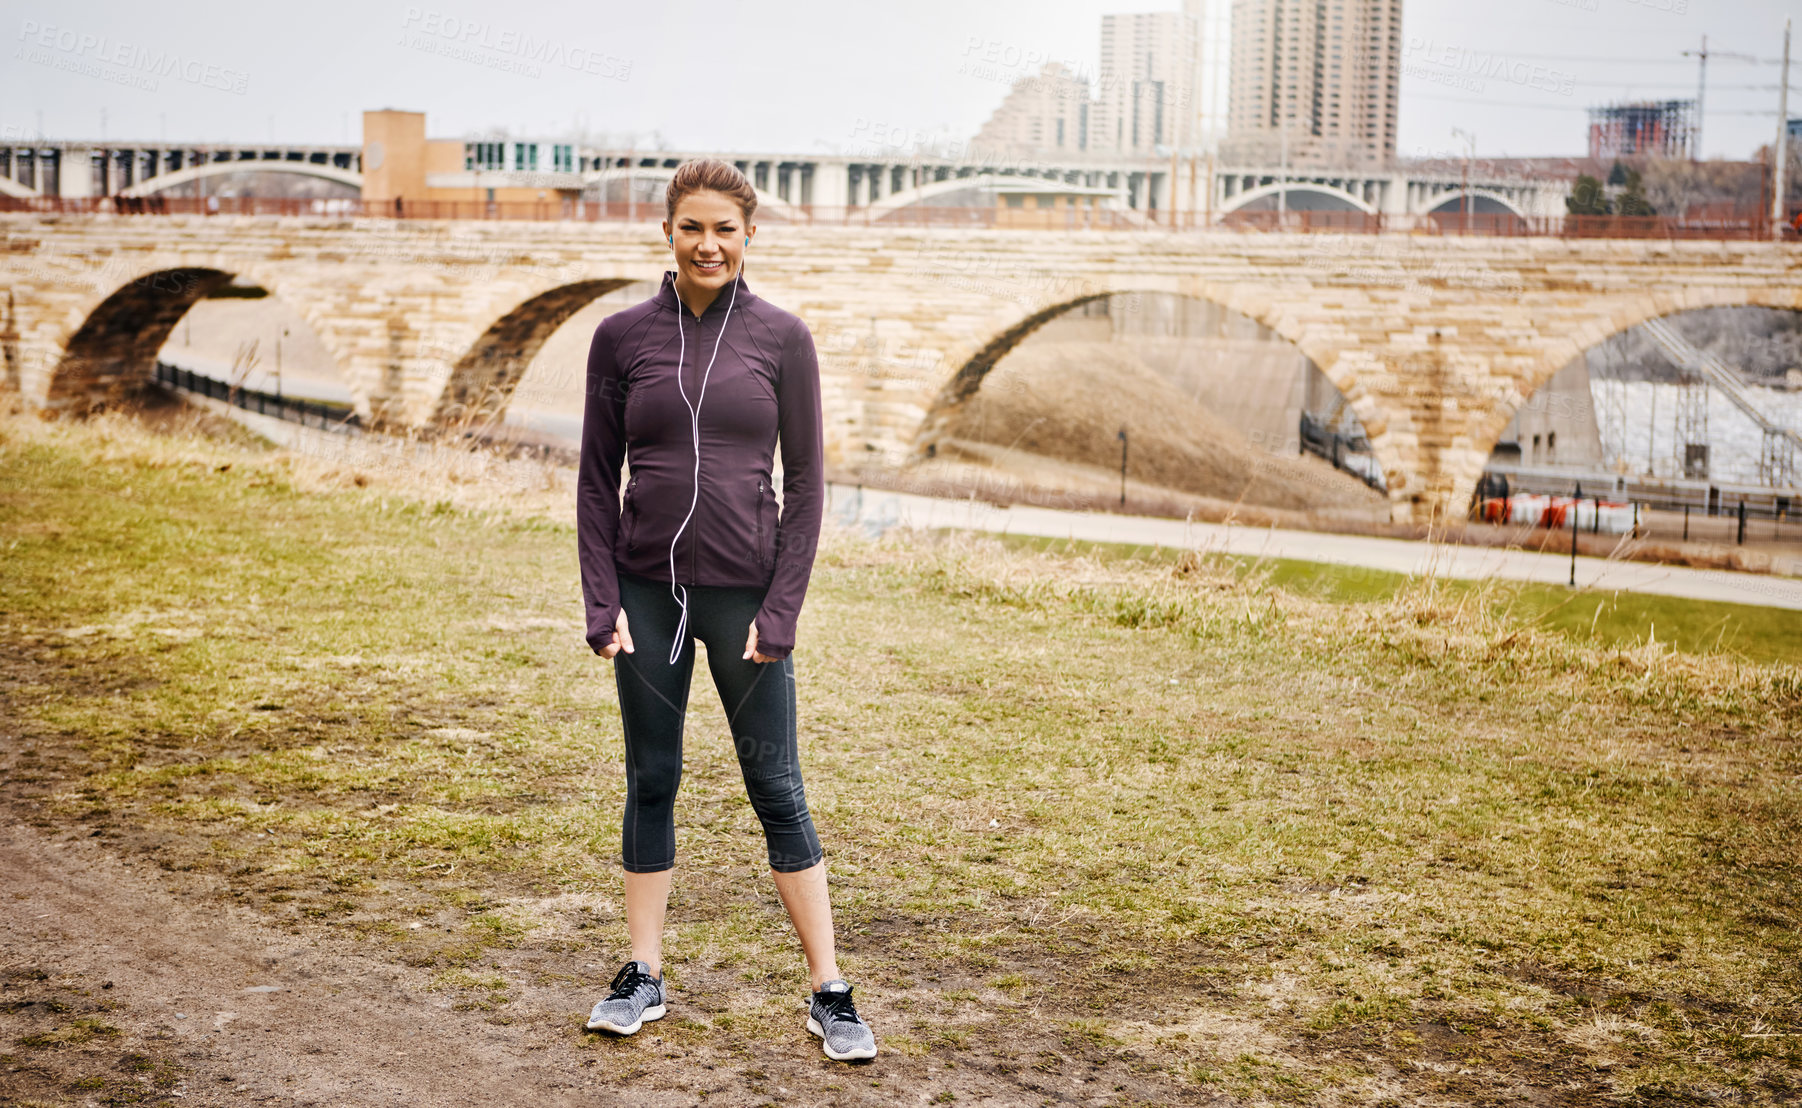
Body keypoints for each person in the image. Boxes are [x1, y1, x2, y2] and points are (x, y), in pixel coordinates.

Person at [574, 158, 877, 1062]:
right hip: (645, 597)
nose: (709, 244)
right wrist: (602, 602)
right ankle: (642, 973)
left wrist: (781, 611)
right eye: (692, 227)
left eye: (726, 230)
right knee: (652, 777)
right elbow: (596, 482)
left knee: (775, 785)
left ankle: (830, 990)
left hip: (745, 600)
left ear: (751, 237)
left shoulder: (782, 339)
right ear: (666, 232)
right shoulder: (620, 338)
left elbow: (810, 486)